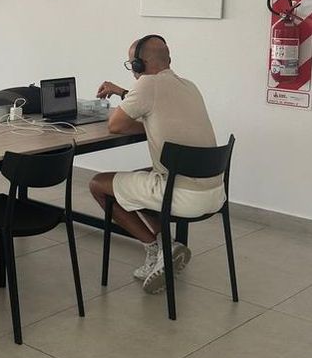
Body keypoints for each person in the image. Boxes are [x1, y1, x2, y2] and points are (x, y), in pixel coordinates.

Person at [89, 34, 223, 295]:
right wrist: (126, 95)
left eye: (132, 64)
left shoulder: (147, 85)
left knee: (98, 184)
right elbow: (158, 107)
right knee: (142, 177)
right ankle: (166, 246)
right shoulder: (189, 86)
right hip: (214, 193)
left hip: (181, 194)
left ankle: (155, 248)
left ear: (139, 65)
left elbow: (115, 125)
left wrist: (136, 108)